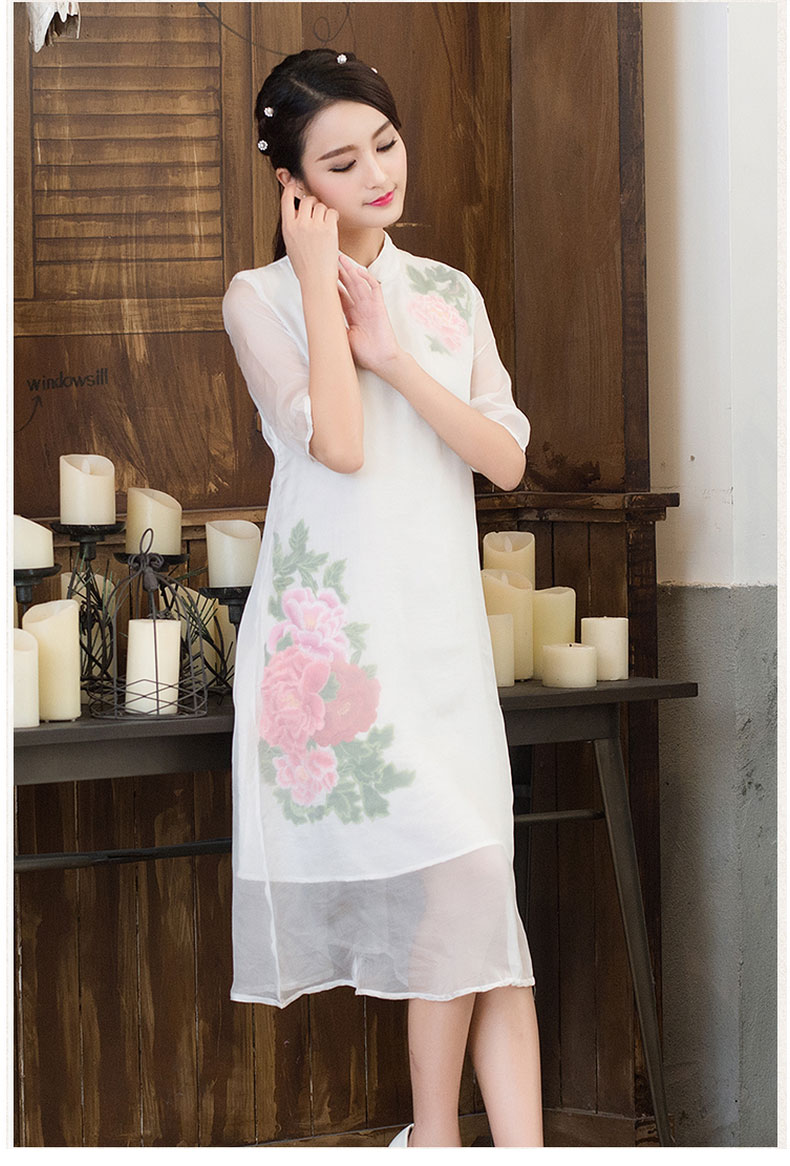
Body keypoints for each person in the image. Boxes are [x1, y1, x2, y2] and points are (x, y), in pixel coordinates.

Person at [222, 48, 543, 1149]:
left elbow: (503, 459)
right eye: (343, 162)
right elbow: (342, 446)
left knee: (482, 909)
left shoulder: (448, 293)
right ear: (293, 184)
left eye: (386, 144)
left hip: (442, 647)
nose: (378, 175)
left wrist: (394, 355)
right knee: (472, 891)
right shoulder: (260, 298)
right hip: (337, 656)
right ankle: (440, 1142)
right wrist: (318, 282)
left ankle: (473, 1149)